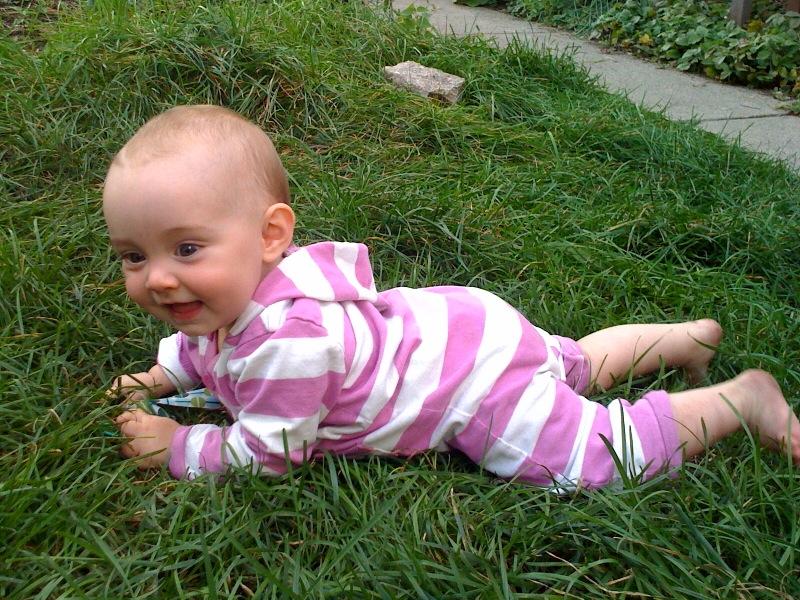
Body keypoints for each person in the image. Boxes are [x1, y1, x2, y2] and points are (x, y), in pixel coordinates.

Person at [104, 105, 800, 489]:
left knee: (588, 460)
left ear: (270, 235)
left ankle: (739, 400)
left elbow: (272, 450)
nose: (158, 278)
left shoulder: (289, 342)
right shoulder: (230, 297)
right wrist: (165, 373)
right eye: (135, 256)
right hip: (459, 325)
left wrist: (181, 445)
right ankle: (685, 339)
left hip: (467, 382)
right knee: (576, 364)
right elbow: (203, 342)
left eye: (185, 249)